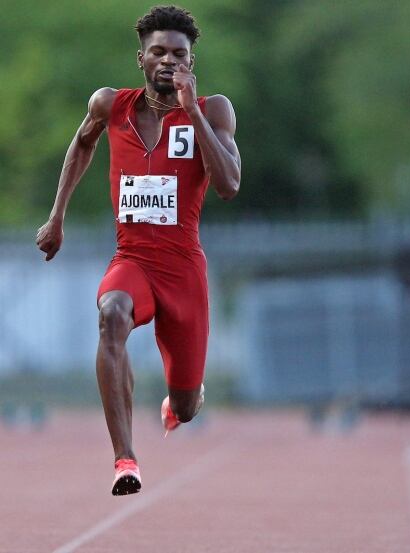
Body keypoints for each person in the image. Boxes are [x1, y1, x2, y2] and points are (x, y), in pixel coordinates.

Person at [35, 5, 240, 496]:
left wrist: (191, 112)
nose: (168, 61)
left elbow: (229, 184)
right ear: (141, 58)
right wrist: (56, 215)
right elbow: (82, 144)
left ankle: (180, 402)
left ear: (192, 62)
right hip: (133, 260)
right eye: (159, 52)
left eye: (179, 54)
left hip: (183, 269)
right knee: (111, 315)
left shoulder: (213, 111)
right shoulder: (111, 106)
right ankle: (125, 460)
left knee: (186, 406)